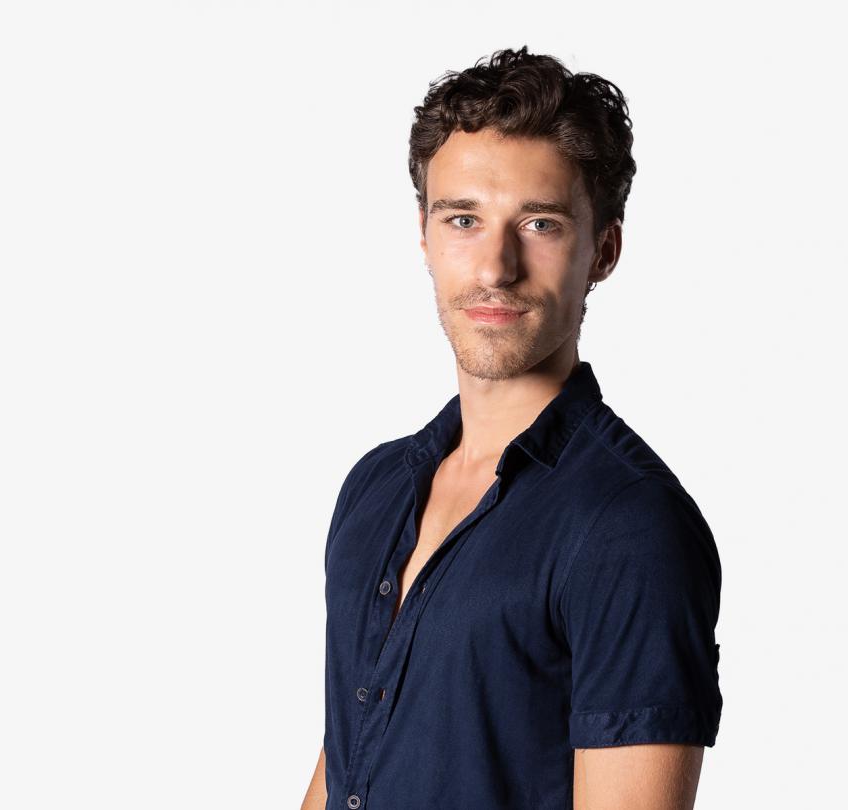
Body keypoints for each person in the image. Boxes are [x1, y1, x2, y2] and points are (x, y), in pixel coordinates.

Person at [300, 46, 723, 810]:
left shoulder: (629, 528)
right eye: (463, 218)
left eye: (539, 223)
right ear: (424, 236)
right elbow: (343, 766)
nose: (495, 266)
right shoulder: (375, 487)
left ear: (604, 250)